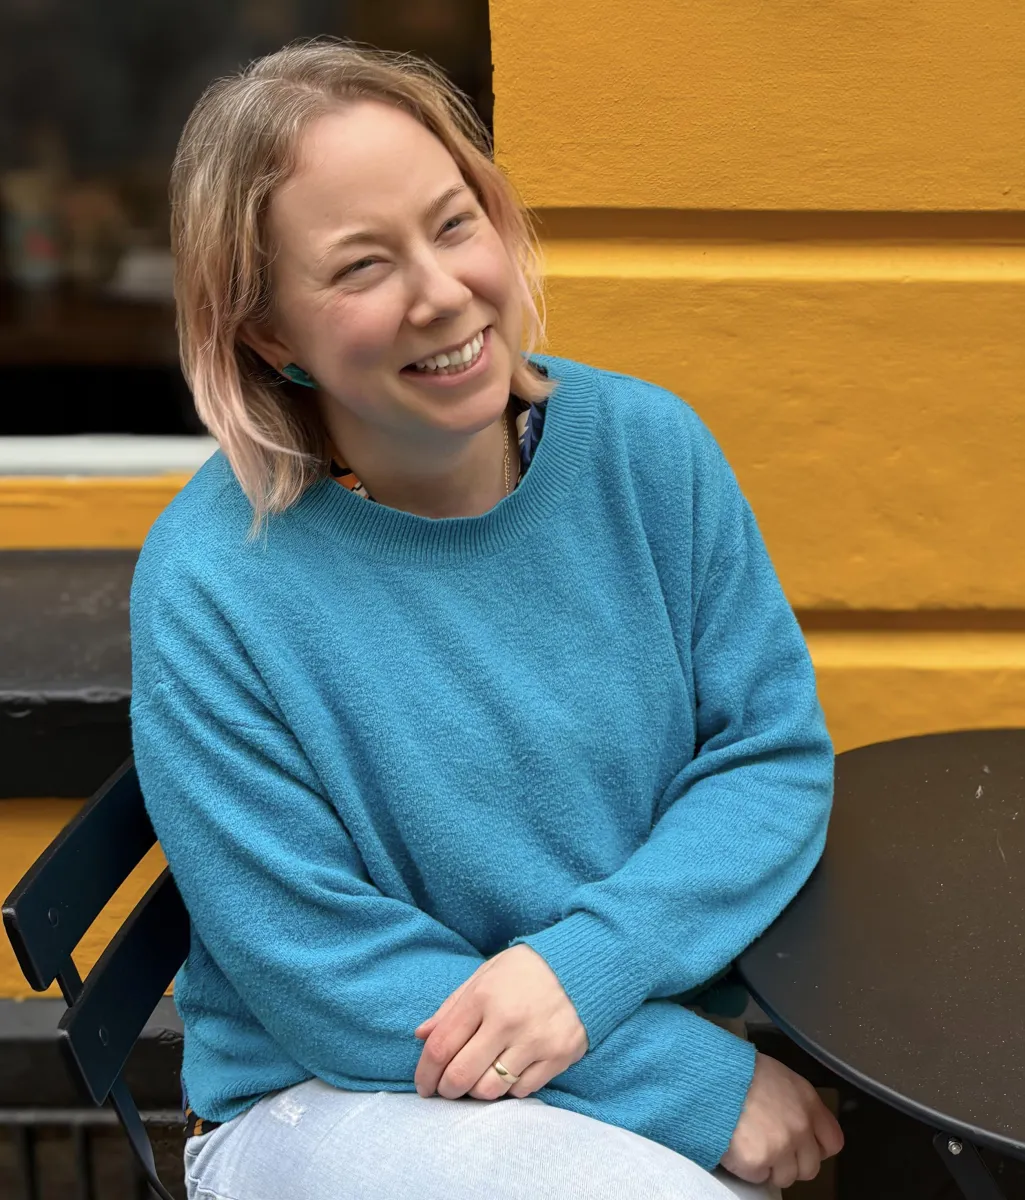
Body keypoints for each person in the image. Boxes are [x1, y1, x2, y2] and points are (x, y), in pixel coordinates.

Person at [131, 38, 842, 1200]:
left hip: (601, 1045)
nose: (442, 291)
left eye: (455, 223)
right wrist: (686, 1080)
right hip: (335, 1093)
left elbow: (767, 758)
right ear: (268, 334)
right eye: (361, 267)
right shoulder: (216, 585)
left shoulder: (645, 453)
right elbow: (322, 973)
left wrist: (590, 970)